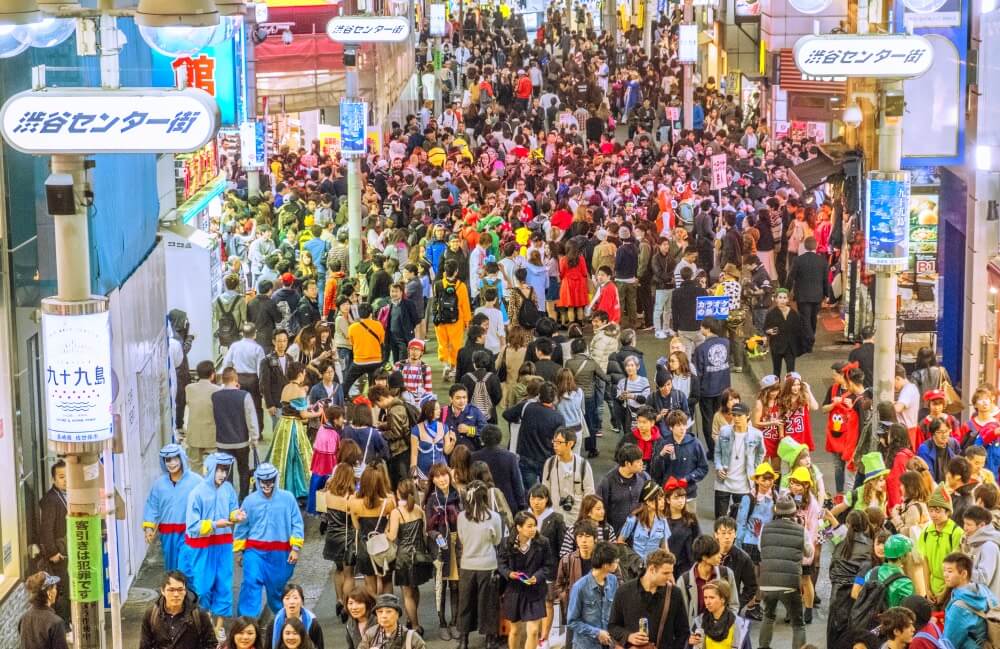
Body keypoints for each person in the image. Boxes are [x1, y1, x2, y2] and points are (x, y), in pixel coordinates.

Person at [181, 453, 244, 634]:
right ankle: (206, 626)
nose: (222, 474)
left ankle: (219, 628)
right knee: (203, 586)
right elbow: (192, 526)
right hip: (202, 547)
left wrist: (236, 516)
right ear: (210, 469)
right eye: (219, 469)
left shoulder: (228, 489)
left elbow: (232, 509)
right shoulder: (197, 493)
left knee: (224, 584)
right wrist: (215, 524)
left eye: (225, 470)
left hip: (223, 545)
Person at [235, 464, 305, 617]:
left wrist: (295, 548)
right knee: (250, 583)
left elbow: (297, 524)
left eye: (270, 480)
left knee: (277, 590)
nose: (267, 484)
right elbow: (241, 528)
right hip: (254, 552)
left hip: (281, 554)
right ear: (258, 481)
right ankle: (247, 622)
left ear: (275, 479)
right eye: (263, 481)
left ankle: (286, 621)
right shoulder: (249, 501)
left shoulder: (288, 498)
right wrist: (239, 552)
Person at [757, 495, 811, 649]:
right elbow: (809, 553)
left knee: (768, 615)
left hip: (767, 582)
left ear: (776, 511)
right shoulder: (800, 530)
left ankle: (763, 647)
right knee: (798, 623)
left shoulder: (765, 528)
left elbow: (761, 549)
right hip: (790, 584)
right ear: (794, 512)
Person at [608, 549, 689, 649]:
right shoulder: (624, 591)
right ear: (651, 569)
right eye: (665, 573)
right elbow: (612, 627)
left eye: (671, 573)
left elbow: (683, 632)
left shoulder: (674, 593)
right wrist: (628, 636)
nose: (670, 577)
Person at [456, 481, 503, 649]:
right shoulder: (494, 517)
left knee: (465, 603)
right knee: (488, 604)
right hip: (487, 565)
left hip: (467, 565)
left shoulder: (461, 517)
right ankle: (490, 639)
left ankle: (463, 640)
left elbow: (461, 539)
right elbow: (497, 540)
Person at [498, 511, 555, 649]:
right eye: (529, 526)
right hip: (514, 591)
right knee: (515, 631)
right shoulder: (507, 542)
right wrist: (510, 574)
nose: (533, 529)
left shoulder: (543, 542)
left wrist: (538, 576)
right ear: (519, 527)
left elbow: (548, 566)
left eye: (534, 525)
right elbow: (501, 564)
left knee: (534, 630)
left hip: (535, 591)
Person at [143, 445, 201, 573]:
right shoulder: (159, 485)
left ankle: (189, 592)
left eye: (175, 458)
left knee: (186, 566)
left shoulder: (196, 482)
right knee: (171, 569)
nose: (172, 463)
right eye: (168, 460)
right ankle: (173, 591)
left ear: (182, 459)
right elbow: (152, 506)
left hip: (189, 532)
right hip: (167, 535)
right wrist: (148, 528)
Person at [268, 362, 320, 499]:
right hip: (293, 427)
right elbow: (303, 415)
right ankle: (298, 488)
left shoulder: (285, 388)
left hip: (282, 424)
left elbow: (291, 407)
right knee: (298, 457)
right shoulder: (300, 390)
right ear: (300, 374)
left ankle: (283, 485)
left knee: (282, 457)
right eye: (304, 373)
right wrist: (318, 413)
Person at [213, 367, 261, 501]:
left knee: (225, 472)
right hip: (241, 441)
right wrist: (254, 437)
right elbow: (251, 418)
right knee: (243, 470)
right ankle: (243, 497)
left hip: (222, 442)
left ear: (223, 380)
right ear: (236, 379)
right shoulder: (244, 395)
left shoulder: (215, 396)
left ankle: (227, 499)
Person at [714, 402, 765, 519]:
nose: (736, 418)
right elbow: (717, 452)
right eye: (734, 415)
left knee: (741, 519)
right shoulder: (724, 431)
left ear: (748, 415)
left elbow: (761, 453)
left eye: (739, 415)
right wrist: (718, 467)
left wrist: (756, 470)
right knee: (720, 519)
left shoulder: (756, 435)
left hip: (744, 483)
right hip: (723, 482)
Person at [139, 571, 216, 649]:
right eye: (171, 590)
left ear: (185, 591)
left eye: (180, 590)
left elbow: (211, 644)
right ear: (163, 591)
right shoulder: (152, 614)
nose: (176, 594)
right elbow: (145, 645)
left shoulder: (199, 615)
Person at [566, 541, 620, 649]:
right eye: (615, 561)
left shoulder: (613, 580)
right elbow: (572, 621)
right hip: (586, 645)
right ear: (605, 565)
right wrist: (597, 633)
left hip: (609, 643)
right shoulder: (580, 587)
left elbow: (616, 611)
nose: (618, 563)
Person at [941, 551, 1000, 649]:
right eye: (944, 570)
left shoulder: (958, 607)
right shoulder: (982, 589)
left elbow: (949, 643)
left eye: (950, 571)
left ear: (963, 574)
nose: (945, 575)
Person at [918, 485, 965, 602]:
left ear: (947, 511)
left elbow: (956, 567)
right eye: (931, 510)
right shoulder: (926, 531)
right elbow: (925, 561)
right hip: (933, 587)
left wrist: (944, 593)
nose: (933, 515)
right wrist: (927, 589)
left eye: (938, 511)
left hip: (952, 589)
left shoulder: (956, 533)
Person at [692, 318, 731, 460]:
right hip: (724, 387)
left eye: (702, 327)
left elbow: (697, 373)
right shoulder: (726, 343)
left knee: (708, 420)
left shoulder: (700, 349)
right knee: (723, 417)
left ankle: (713, 450)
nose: (700, 330)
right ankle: (725, 447)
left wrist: (695, 391)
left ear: (707, 329)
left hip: (707, 390)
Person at [677, 535, 739, 622]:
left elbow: (733, 605)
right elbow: (681, 613)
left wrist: (727, 624)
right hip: (695, 633)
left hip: (722, 630)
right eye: (716, 553)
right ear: (704, 557)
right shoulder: (684, 581)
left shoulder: (727, 574)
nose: (720, 555)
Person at [541, 427, 595, 525]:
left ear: (570, 444)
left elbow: (589, 493)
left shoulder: (583, 465)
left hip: (577, 519)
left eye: (559, 442)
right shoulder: (550, 463)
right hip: (555, 518)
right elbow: (545, 490)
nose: (555, 445)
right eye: (554, 442)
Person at [37, 460, 69, 623]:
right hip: (58, 553)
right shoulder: (51, 499)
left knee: (68, 587)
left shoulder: (68, 494)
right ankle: (64, 626)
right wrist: (52, 552)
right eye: (62, 477)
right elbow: (46, 529)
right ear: (54, 479)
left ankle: (69, 622)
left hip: (67, 550)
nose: (66, 480)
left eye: (68, 476)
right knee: (61, 589)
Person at [650, 409, 709, 498]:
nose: (682, 428)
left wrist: (688, 478)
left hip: (689, 493)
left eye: (684, 425)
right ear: (671, 427)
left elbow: (703, 468)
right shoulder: (663, 443)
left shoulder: (695, 443)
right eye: (678, 425)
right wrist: (661, 455)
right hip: (668, 493)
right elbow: (655, 471)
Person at [786, 236, 830, 353]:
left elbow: (791, 277)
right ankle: (808, 343)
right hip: (817, 295)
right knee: (813, 318)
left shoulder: (798, 260)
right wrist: (827, 294)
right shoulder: (822, 261)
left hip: (802, 294)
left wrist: (786, 291)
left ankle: (809, 339)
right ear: (816, 246)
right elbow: (826, 280)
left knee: (804, 318)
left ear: (805, 246)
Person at [596, 443, 650, 534]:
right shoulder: (608, 481)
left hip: (639, 533)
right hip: (615, 533)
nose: (642, 463)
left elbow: (651, 501)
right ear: (627, 463)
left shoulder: (644, 477)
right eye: (638, 461)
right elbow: (599, 508)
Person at [471, 424, 525, 512]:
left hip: (483, 502)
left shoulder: (474, 457)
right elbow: (517, 482)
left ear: (483, 438)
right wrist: (521, 503)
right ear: (499, 438)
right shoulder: (510, 457)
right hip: (508, 502)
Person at [223, 322, 267, 432]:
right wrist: (262, 385)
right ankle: (257, 430)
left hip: (238, 379)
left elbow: (227, 363)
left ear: (242, 333)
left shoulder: (234, 346)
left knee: (238, 405)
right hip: (253, 379)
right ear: (255, 334)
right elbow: (260, 369)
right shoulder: (258, 348)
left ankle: (239, 429)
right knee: (255, 406)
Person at [714, 517, 759, 614]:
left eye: (730, 533)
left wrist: (737, 604)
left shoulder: (743, 558)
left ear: (735, 534)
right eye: (723, 533)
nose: (727, 537)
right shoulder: (708, 554)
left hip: (729, 609)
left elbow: (751, 587)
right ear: (716, 534)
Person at [689, 580, 750, 649]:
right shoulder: (699, 621)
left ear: (723, 599)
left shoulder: (738, 624)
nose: (707, 602)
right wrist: (691, 643)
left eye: (712, 597)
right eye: (705, 597)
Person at [262, 584, 325, 649]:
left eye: (295, 598)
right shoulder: (274, 624)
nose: (291, 602)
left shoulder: (312, 623)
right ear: (282, 601)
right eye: (287, 598)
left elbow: (319, 646)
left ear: (302, 601)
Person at [185, 360, 221, 471]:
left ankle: (198, 486)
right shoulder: (217, 390)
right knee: (214, 465)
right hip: (211, 434)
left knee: (195, 466)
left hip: (194, 433)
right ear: (212, 374)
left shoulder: (189, 388)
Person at [344, 303, 386, 396]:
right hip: (376, 361)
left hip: (359, 362)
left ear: (358, 314)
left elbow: (351, 343)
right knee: (373, 384)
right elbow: (382, 341)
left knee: (347, 382)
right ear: (371, 314)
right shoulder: (378, 325)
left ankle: (343, 398)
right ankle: (374, 400)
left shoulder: (352, 328)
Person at [358, 594, 426, 649]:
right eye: (380, 612)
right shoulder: (370, 634)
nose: (383, 616)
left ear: (397, 614)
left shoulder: (411, 637)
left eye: (389, 611)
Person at [19, 571, 67, 649]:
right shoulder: (56, 623)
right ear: (49, 594)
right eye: (55, 588)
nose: (56, 591)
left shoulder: (23, 618)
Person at [763, 288, 803, 376]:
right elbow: (765, 328)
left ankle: (790, 388)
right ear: (776, 299)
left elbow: (799, 329)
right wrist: (768, 331)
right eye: (780, 297)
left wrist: (799, 345)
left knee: (791, 372)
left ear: (788, 299)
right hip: (776, 345)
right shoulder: (771, 313)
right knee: (776, 371)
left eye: (784, 298)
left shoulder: (794, 313)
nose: (782, 300)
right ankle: (776, 389)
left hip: (790, 346)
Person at [961, 505, 1000, 593]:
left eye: (969, 524)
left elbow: (983, 579)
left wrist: (961, 569)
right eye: (964, 523)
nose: (965, 528)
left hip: (987, 604)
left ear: (981, 525)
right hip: (978, 600)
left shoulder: (989, 546)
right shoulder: (974, 541)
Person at [918, 417, 962, 483]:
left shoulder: (953, 443)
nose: (944, 435)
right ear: (933, 433)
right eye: (939, 432)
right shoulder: (925, 449)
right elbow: (928, 476)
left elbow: (959, 466)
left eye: (946, 431)